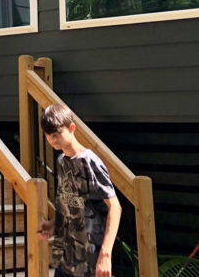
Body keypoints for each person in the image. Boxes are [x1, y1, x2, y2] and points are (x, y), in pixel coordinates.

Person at [37, 104, 121, 277]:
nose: (52, 140)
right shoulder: (61, 162)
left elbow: (115, 207)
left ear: (72, 128)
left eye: (56, 134)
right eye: (48, 135)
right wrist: (53, 225)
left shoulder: (90, 162)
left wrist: (106, 254)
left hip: (90, 256)